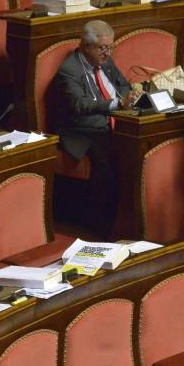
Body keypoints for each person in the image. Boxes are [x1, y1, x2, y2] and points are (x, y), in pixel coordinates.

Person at [54, 19, 141, 234]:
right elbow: (79, 105)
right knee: (108, 158)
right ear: (85, 46)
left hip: (115, 121)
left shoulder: (106, 62)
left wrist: (134, 95)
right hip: (82, 130)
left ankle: (132, 216)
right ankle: (102, 224)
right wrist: (117, 103)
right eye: (103, 48)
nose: (108, 53)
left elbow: (123, 85)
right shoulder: (70, 70)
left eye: (111, 47)